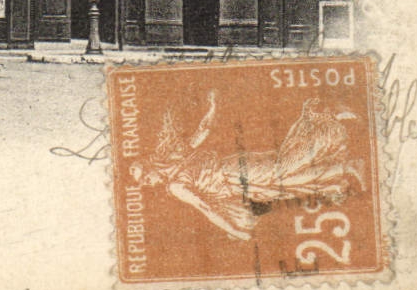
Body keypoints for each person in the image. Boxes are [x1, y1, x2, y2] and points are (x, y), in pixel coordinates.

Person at [130, 89, 367, 241]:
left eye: (145, 178)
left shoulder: (176, 185)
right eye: (143, 183)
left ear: (152, 167)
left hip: (235, 174)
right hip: (237, 177)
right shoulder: (177, 159)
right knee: (287, 180)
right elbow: (203, 132)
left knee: (284, 169)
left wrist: (236, 232)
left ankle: (326, 123)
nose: (147, 184)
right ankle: (346, 166)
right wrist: (212, 107)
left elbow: (206, 208)